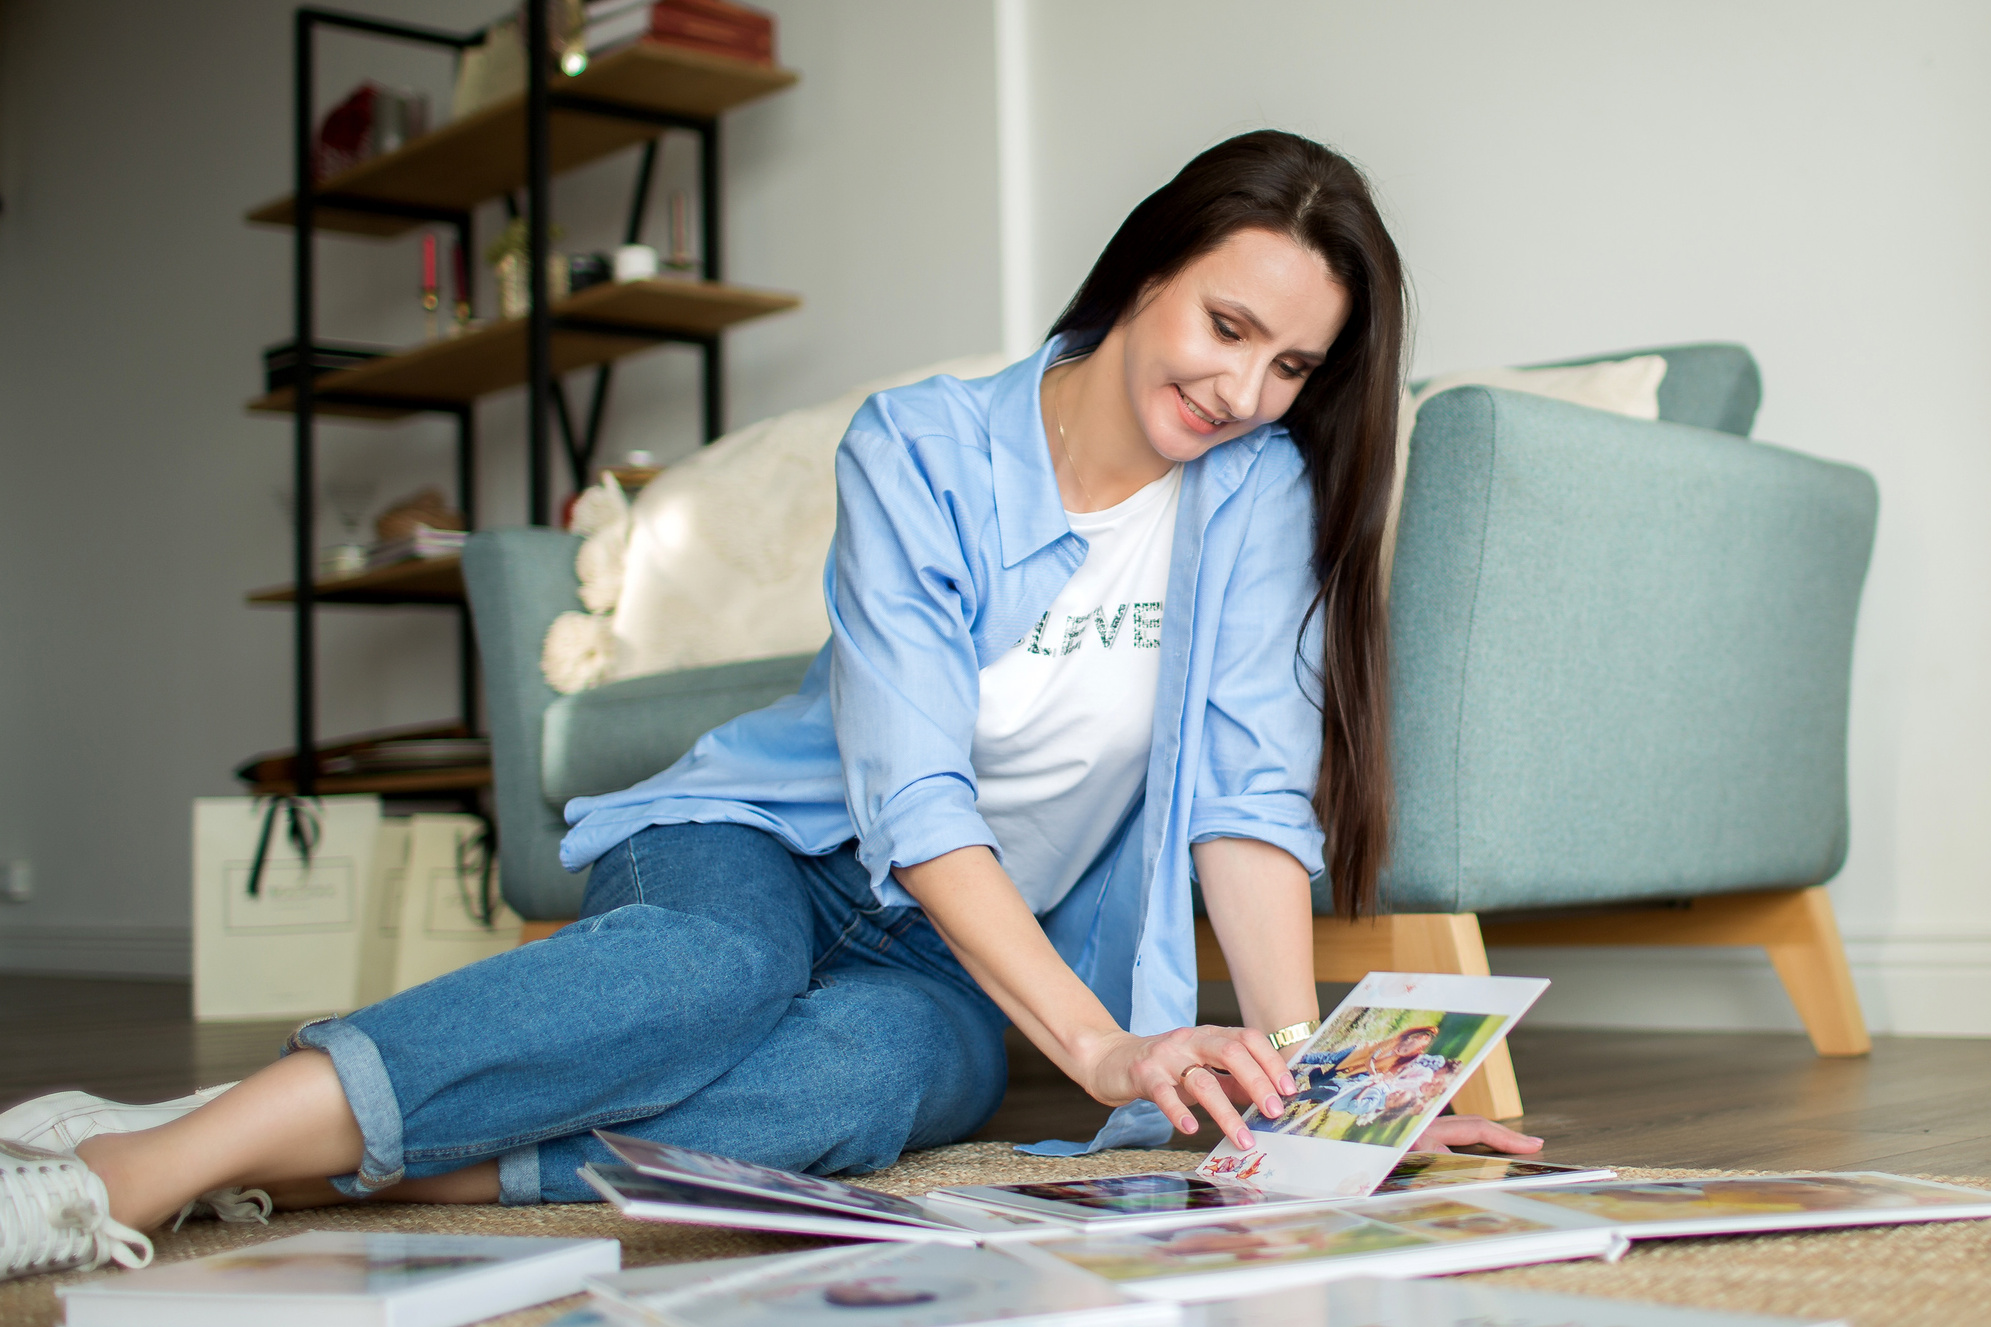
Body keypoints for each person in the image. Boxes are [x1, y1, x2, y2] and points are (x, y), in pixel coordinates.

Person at [0, 129, 1539, 1283]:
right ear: (1147, 271)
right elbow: (913, 790)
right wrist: (1102, 1051)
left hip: (961, 954)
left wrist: (1319, 1102)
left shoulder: (1257, 490)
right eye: (1226, 329)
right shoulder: (921, 447)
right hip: (769, 842)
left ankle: (321, 1149)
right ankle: (143, 1164)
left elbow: (1247, 793)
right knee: (705, 979)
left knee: (860, 1091)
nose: (1247, 395)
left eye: (1290, 367)